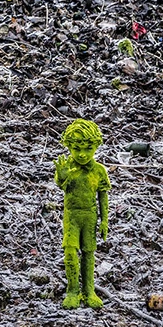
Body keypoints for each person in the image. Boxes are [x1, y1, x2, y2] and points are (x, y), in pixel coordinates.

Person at [54, 119, 111, 309]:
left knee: (88, 253)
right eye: (77, 148)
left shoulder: (99, 170)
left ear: (96, 146)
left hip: (90, 216)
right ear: (69, 146)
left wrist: (104, 221)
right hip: (72, 216)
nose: (82, 154)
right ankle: (72, 291)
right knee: (70, 251)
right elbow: (62, 184)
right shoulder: (68, 168)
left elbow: (103, 196)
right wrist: (62, 176)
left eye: (88, 148)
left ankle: (89, 291)